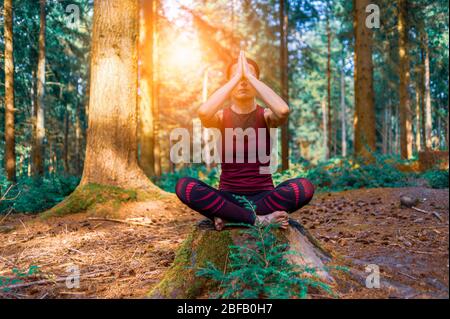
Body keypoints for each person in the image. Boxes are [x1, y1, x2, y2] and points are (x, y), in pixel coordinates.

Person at [175, 50, 315, 231]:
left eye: (248, 76)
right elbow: (203, 113)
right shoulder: (220, 117)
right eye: (236, 77)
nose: (242, 81)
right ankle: (257, 220)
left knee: (304, 186)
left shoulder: (265, 116)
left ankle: (231, 217)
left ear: (256, 82)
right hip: (227, 198)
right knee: (184, 186)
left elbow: (282, 111)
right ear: (230, 83)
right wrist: (236, 78)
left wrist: (248, 76)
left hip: (264, 199)